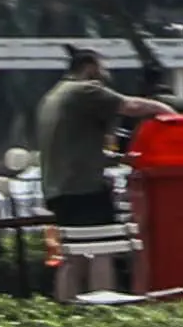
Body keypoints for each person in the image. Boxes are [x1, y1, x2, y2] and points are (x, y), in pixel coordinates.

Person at [38, 49, 175, 301]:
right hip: (85, 189)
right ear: (90, 67)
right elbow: (131, 106)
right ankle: (106, 314)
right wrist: (169, 113)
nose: (105, 75)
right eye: (103, 69)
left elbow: (75, 147)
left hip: (57, 190)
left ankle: (66, 312)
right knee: (103, 251)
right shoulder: (84, 90)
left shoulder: (52, 96)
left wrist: (116, 158)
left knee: (73, 255)